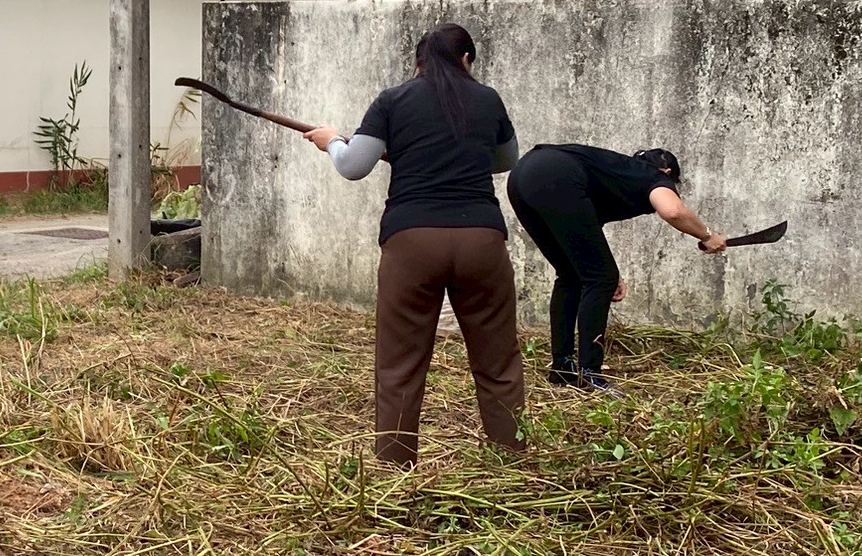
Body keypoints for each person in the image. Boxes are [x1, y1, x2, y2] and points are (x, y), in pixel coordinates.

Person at [305, 23, 526, 467]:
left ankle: (395, 466)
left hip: (411, 242)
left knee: (400, 363)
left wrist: (332, 142)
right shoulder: (488, 100)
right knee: (498, 359)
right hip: (481, 239)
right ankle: (511, 460)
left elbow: (353, 166)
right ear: (467, 60)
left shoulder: (393, 100)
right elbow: (505, 160)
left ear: (418, 63)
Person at [506, 144, 727, 392]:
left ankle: (563, 368)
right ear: (666, 172)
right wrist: (707, 235)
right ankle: (590, 373)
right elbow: (673, 211)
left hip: (521, 177)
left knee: (571, 275)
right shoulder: (654, 176)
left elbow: (585, 234)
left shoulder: (615, 173)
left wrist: (612, 274)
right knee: (600, 280)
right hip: (555, 175)